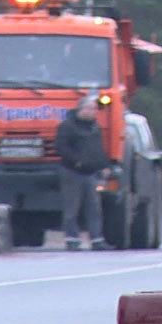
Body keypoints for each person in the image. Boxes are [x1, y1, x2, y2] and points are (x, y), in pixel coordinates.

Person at [54, 94, 108, 250]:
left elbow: (98, 148)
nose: (93, 112)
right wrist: (76, 161)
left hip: (90, 173)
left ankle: (97, 240)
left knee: (94, 208)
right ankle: (72, 239)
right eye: (90, 108)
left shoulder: (94, 127)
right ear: (81, 109)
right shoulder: (67, 126)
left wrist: (103, 166)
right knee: (72, 208)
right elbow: (61, 147)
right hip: (72, 172)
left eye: (95, 109)